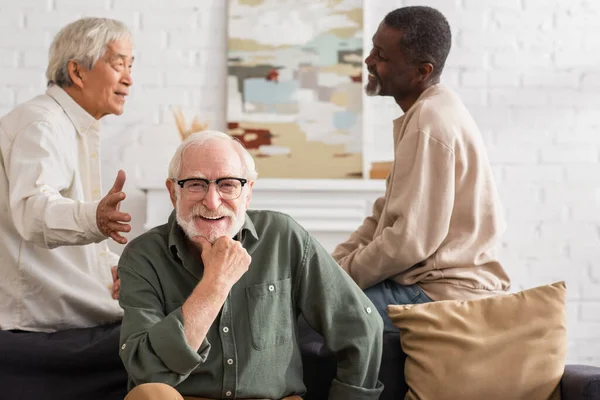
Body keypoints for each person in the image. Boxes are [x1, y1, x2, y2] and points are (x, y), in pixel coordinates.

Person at [117, 131, 384, 400]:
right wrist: (215, 285)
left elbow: (360, 324)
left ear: (248, 193)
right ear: (174, 192)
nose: (211, 201)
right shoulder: (142, 256)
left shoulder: (283, 236)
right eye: (195, 184)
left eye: (228, 185)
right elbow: (146, 372)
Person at [332, 5, 511, 332]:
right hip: (429, 284)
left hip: (441, 293)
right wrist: (329, 269)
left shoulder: (429, 123)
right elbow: (381, 218)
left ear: (421, 71)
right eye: (373, 48)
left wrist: (333, 283)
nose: (370, 61)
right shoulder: (429, 111)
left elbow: (407, 243)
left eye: (382, 56)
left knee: (309, 319)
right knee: (312, 302)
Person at [0, 17, 134, 399]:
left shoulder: (70, 126)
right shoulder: (41, 125)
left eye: (131, 66)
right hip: (45, 321)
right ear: (77, 70)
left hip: (69, 310)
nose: (129, 79)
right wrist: (95, 217)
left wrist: (114, 267)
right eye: (119, 64)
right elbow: (33, 210)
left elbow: (67, 224)